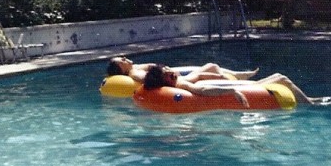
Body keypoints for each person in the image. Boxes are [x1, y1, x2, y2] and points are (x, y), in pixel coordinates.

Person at [143, 64, 250, 108]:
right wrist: (232, 91)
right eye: (168, 75)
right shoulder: (181, 85)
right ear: (163, 81)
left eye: (170, 70)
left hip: (197, 77)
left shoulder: (177, 81)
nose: (172, 73)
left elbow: (199, 75)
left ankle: (235, 75)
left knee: (212, 66)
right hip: (197, 81)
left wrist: (221, 77)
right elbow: (202, 90)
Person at [106, 56, 259, 84]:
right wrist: (168, 75)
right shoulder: (134, 73)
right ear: (121, 68)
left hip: (175, 76)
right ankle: (239, 77)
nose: (126, 59)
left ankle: (238, 76)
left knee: (212, 66)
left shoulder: (135, 67)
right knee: (212, 67)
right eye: (123, 60)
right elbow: (149, 79)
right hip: (178, 81)